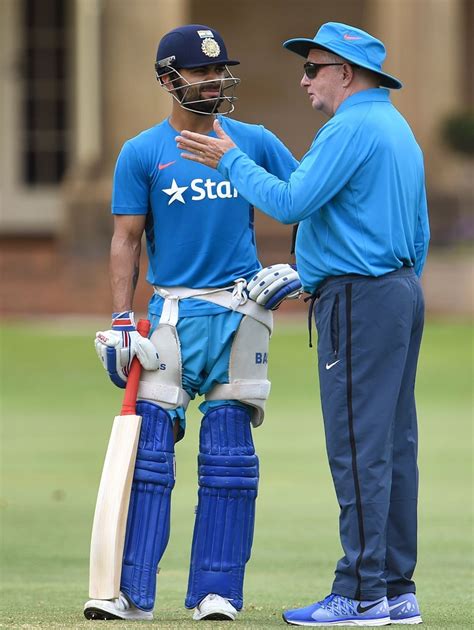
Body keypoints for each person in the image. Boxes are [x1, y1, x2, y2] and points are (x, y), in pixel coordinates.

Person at [176, 21, 429, 627]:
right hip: (397, 292)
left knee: (357, 446)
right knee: (393, 444)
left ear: (346, 73)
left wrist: (231, 159)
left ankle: (361, 593)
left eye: (313, 68)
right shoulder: (397, 128)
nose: (304, 78)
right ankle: (394, 588)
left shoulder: (349, 127)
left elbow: (290, 202)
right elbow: (417, 234)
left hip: (359, 300)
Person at [84, 24, 299, 622]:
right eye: (200, 72)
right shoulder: (142, 152)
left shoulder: (253, 140)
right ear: (167, 80)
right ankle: (130, 592)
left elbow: (308, 198)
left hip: (241, 310)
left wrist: (299, 269)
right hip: (171, 316)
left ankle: (217, 592)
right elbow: (126, 238)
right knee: (151, 455)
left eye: (218, 70)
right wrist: (123, 320)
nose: (213, 81)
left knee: (229, 458)